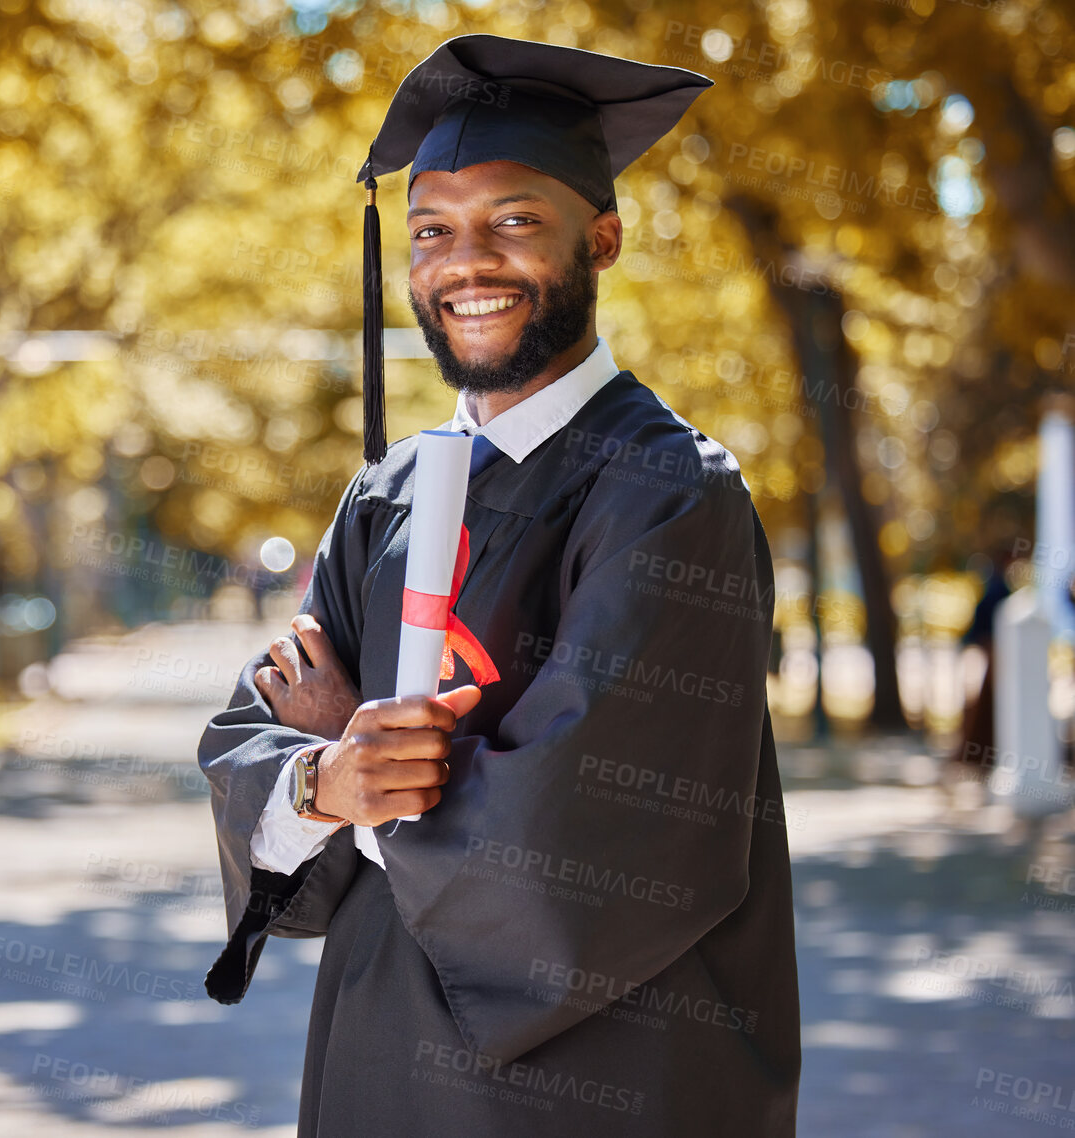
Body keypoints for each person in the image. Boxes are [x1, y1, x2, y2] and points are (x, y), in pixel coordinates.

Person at [196, 34, 800, 1136]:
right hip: (379, 1060)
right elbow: (256, 729)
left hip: (607, 1077)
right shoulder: (386, 496)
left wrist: (355, 784)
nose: (464, 260)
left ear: (602, 239)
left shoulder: (671, 495)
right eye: (431, 231)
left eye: (514, 220)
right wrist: (328, 776)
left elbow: (590, 827)